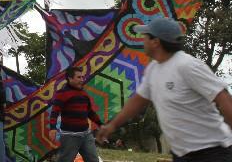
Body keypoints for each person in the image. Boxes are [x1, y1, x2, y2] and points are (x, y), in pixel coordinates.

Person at [97, 17, 232, 162]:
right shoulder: (153, 69)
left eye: (146, 36)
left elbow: (223, 97)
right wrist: (112, 125)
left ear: (156, 42)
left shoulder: (187, 65)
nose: (142, 40)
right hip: (182, 154)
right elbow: (138, 101)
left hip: (213, 151)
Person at [49, 66, 103, 162]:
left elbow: (90, 112)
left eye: (82, 77)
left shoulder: (84, 94)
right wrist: (52, 128)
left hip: (86, 135)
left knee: (93, 160)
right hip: (70, 136)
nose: (82, 80)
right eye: (79, 77)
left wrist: (101, 124)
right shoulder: (62, 93)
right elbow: (54, 112)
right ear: (70, 78)